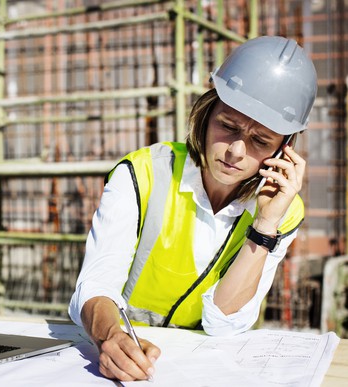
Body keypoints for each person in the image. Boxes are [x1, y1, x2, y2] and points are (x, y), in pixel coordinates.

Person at [68, 36, 318, 381]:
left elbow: (224, 324)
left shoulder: (284, 211)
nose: (236, 151)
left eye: (261, 141)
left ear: (284, 149)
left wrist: (263, 228)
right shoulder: (143, 173)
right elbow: (95, 284)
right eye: (227, 127)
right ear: (206, 111)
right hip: (118, 354)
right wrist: (111, 337)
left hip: (201, 370)